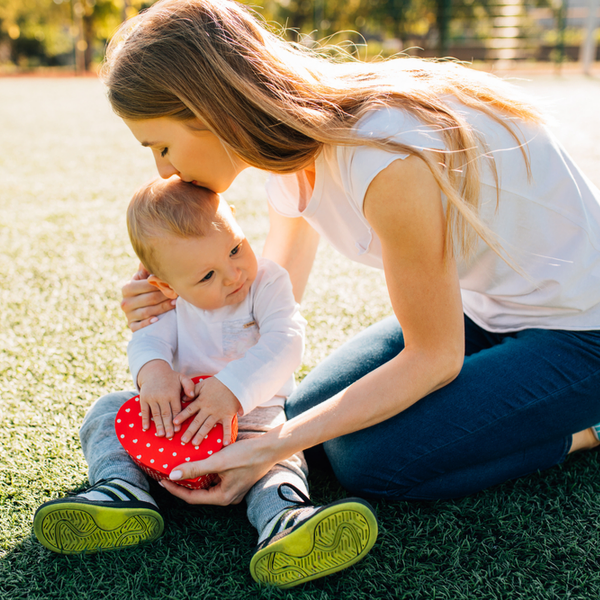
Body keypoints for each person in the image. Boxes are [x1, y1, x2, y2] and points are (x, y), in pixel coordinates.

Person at [105, 0, 600, 529]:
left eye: (160, 145)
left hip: (580, 332)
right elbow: (266, 301)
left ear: (206, 110)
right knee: (299, 418)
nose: (162, 168)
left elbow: (434, 358)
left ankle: (584, 429)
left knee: (369, 460)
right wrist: (172, 306)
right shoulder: (285, 156)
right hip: (483, 311)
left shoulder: (384, 156)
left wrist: (269, 447)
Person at [33, 177, 379, 589]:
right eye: (206, 277)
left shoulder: (267, 282)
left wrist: (232, 389)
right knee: (108, 410)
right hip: (177, 418)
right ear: (167, 286)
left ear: (235, 219)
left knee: (281, 457)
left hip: (253, 416)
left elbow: (287, 341)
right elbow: (148, 338)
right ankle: (120, 489)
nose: (233, 274)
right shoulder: (166, 300)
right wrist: (154, 375)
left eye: (235, 248)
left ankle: (283, 518)